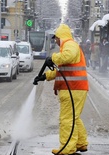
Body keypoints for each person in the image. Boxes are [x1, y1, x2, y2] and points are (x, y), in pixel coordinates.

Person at [34, 24, 89, 155]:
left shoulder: (69, 45)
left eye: (56, 39)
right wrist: (45, 76)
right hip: (77, 88)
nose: (56, 41)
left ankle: (67, 148)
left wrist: (53, 57)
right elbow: (62, 70)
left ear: (61, 37)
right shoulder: (69, 46)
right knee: (74, 117)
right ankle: (81, 143)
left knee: (67, 119)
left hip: (73, 89)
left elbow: (67, 57)